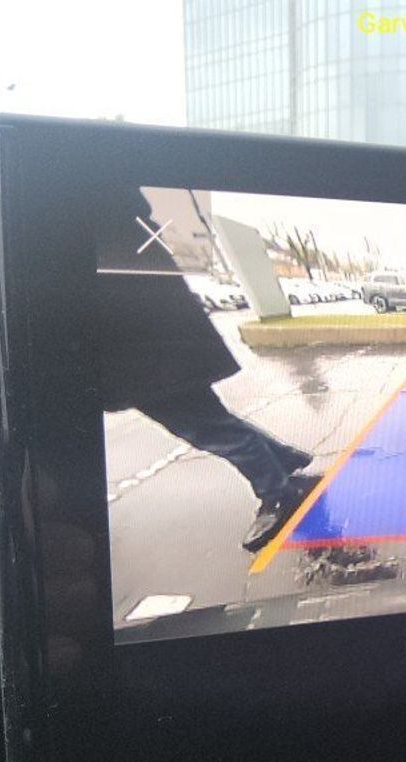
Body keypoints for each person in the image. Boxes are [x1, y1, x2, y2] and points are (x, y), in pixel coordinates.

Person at [95, 189, 313, 552]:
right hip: (148, 335)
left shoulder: (95, 224)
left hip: (136, 342)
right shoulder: (119, 224)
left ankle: (278, 492)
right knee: (207, 417)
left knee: (202, 424)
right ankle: (282, 461)